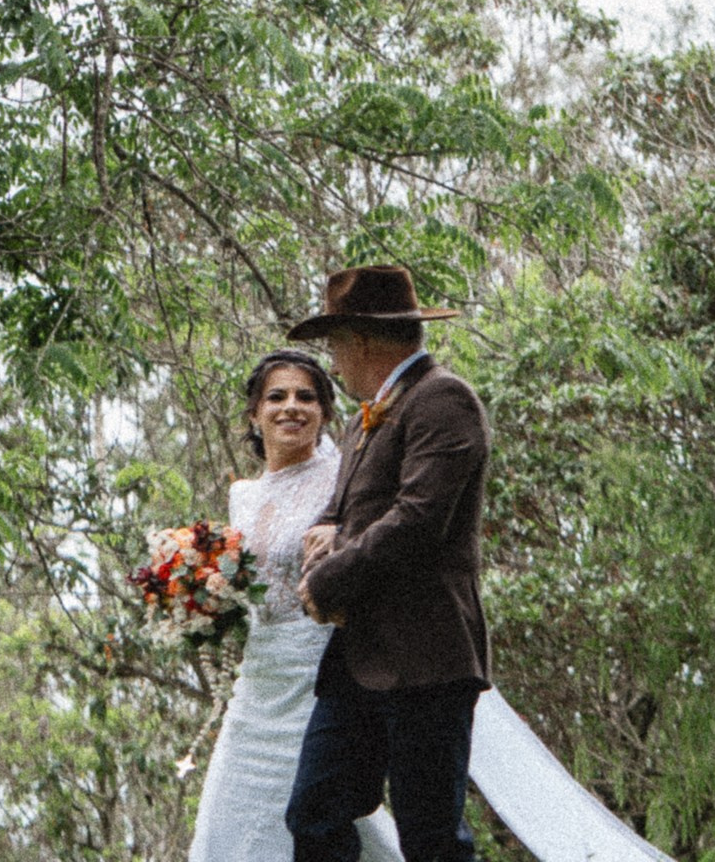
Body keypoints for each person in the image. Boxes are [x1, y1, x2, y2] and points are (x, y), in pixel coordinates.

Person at [285, 266, 491, 862]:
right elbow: (340, 511)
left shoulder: (444, 399)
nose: (334, 361)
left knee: (430, 840)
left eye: (335, 345)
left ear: (363, 340)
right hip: (357, 660)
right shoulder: (361, 417)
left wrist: (329, 577)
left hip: (427, 658)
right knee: (314, 814)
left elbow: (418, 521)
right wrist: (324, 531)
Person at [186, 351, 402, 862]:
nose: (291, 408)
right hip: (258, 680)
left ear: (326, 412)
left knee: (316, 809)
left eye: (307, 397)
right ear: (254, 415)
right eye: (276, 397)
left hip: (321, 672)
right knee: (232, 810)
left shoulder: (341, 478)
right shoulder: (242, 495)